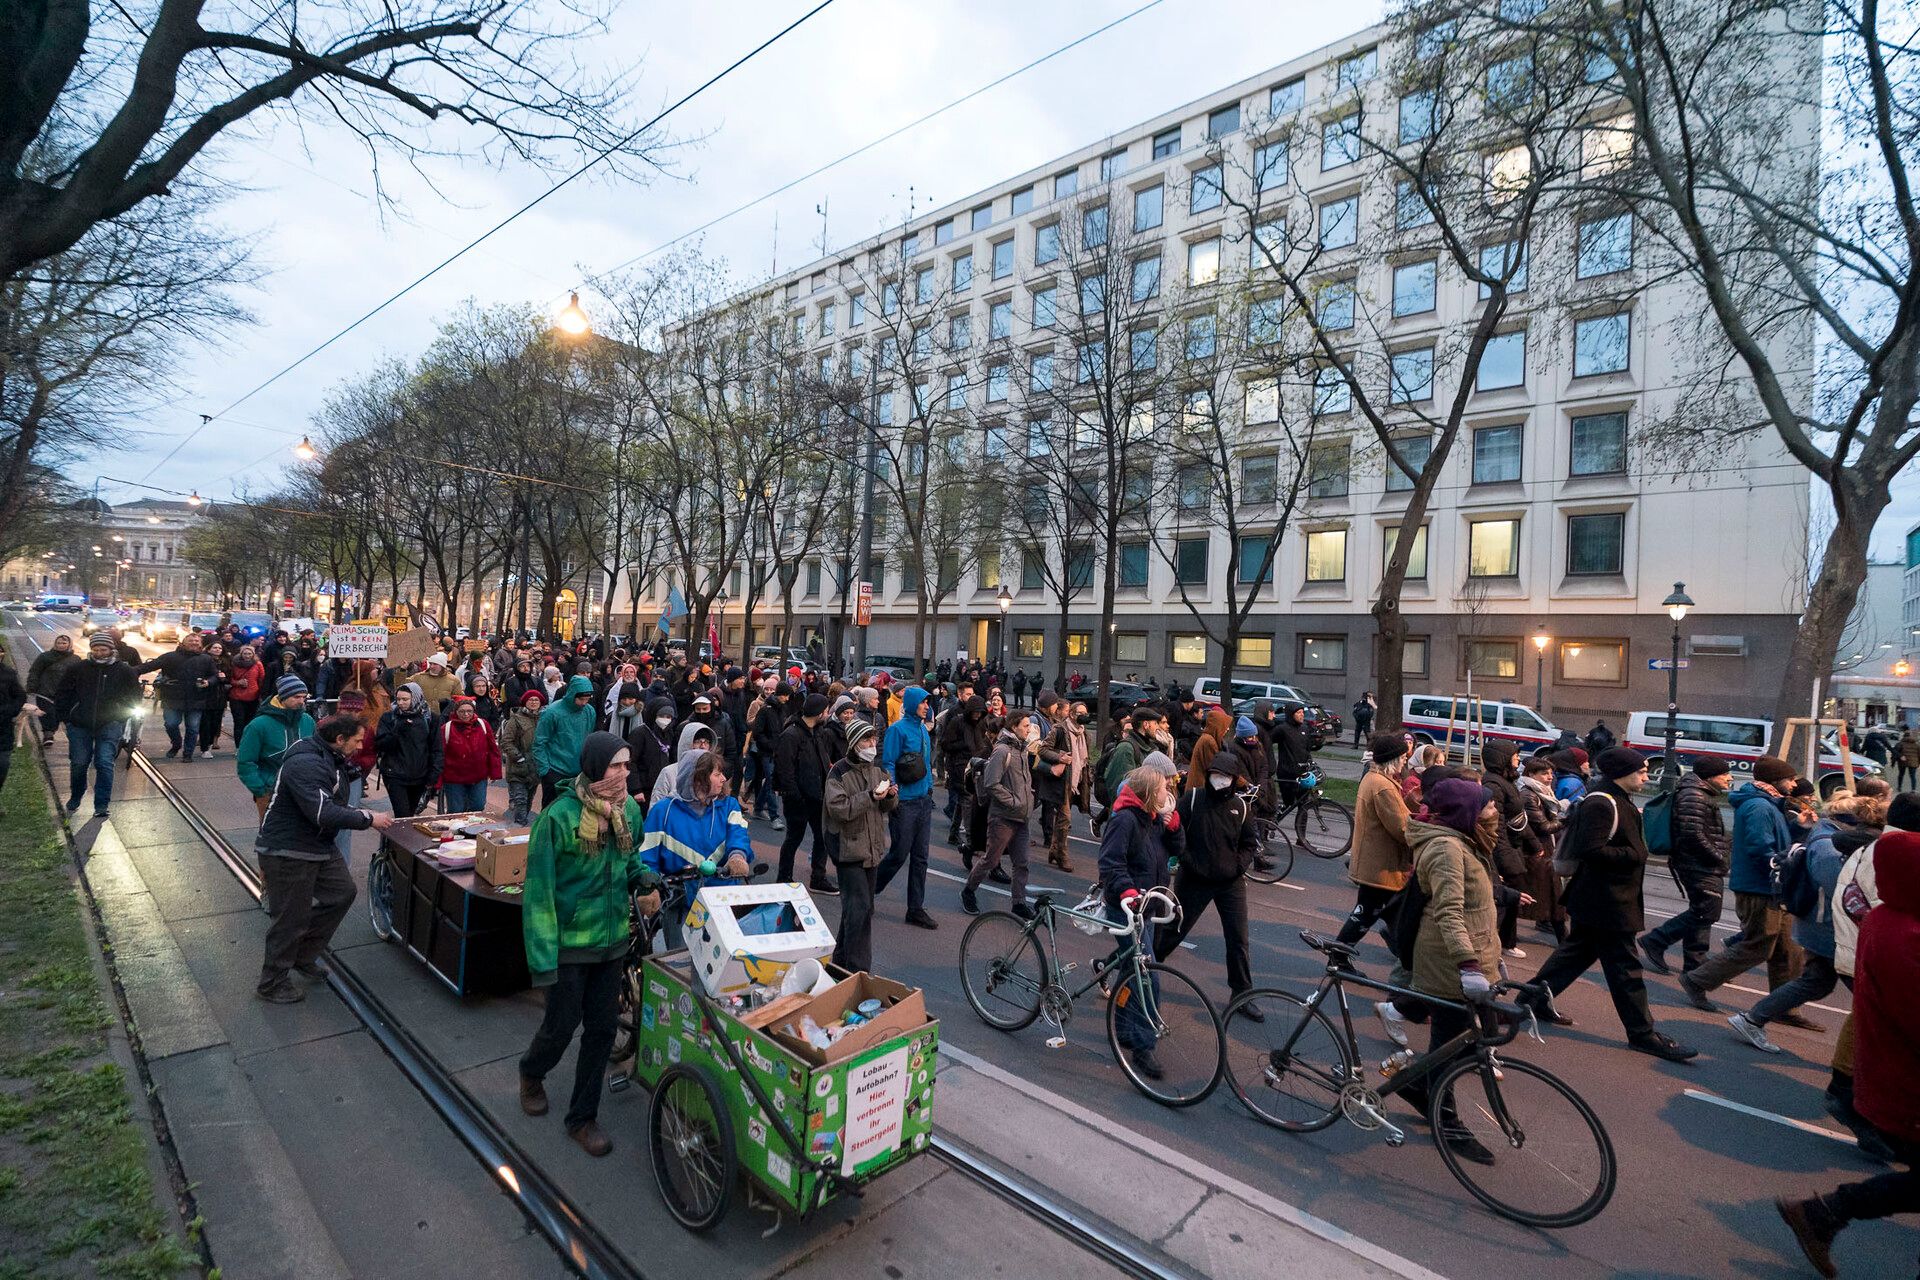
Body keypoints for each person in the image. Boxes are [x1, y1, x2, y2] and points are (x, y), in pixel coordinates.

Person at [1773, 828, 1920, 1276]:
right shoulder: (1905, 934)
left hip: (1893, 1077)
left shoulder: (1889, 919)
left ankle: (1824, 1214)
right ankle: (1824, 1213)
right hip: (1907, 1084)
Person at [518, 733, 661, 1157]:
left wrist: (643, 877)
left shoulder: (629, 811)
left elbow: (629, 857)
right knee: (560, 1027)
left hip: (613, 940)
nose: (623, 774)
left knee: (600, 1030)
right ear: (594, 767)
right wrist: (542, 962)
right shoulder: (558, 818)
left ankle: (582, 1117)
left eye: (626, 765)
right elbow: (539, 895)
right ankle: (531, 1071)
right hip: (568, 944)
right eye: (615, 766)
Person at [1527, 747, 1698, 1061]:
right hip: (1607, 902)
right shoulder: (1601, 803)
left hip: (1602, 900)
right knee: (1626, 971)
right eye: (1642, 771)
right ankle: (1643, 1034)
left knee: (1571, 958)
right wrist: (1634, 855)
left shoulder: (1616, 799)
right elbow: (1589, 849)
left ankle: (1529, 1002)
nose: (1647, 776)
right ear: (1623, 773)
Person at [1395, 777, 1506, 1162]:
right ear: (1467, 812)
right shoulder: (1445, 848)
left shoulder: (1466, 841)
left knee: (1462, 1042)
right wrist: (1469, 964)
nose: (1495, 811)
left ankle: (1417, 1085)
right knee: (1449, 1049)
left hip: (1470, 960)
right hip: (1448, 964)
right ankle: (1447, 1121)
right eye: (1488, 806)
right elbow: (1449, 910)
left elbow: (1478, 898)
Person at [254, 715, 392, 1003]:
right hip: (288, 848)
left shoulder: (331, 757)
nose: (358, 747)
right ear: (339, 739)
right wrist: (368, 817)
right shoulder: (306, 762)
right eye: (356, 741)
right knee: (291, 917)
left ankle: (303, 955)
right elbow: (322, 812)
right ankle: (272, 983)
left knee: (342, 892)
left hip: (317, 844)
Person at [1679, 756, 1805, 1014]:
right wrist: (1783, 863)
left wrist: (1800, 827)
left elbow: (1774, 840)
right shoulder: (1760, 807)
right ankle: (1697, 979)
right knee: (1758, 945)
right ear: (1776, 780)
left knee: (1787, 949)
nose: (1794, 785)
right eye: (1791, 780)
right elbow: (1761, 847)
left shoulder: (1770, 804)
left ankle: (1785, 1007)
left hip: (1771, 886)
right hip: (1760, 887)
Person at [1156, 747, 1261, 1016]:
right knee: (1174, 930)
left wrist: (1238, 866)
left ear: (1234, 778)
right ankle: (1143, 971)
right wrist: (1188, 860)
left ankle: (1242, 994)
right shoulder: (1192, 800)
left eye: (1225, 776)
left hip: (1231, 883)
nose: (1219, 780)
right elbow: (1174, 832)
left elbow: (1250, 844)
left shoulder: (1241, 807)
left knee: (1239, 939)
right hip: (1194, 880)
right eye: (1215, 774)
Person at [1098, 765, 1182, 1080]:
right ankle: (1143, 1045)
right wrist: (1129, 892)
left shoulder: (1151, 819)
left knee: (1129, 971)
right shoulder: (1124, 821)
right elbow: (1110, 863)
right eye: (1163, 788)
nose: (1168, 793)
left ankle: (1122, 1028)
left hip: (1147, 906)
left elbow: (1178, 850)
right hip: (1127, 907)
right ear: (1149, 794)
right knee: (1148, 976)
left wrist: (1174, 827)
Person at [1639, 757, 1735, 975]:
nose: (1729, 778)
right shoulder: (1694, 795)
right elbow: (1692, 833)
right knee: (1705, 912)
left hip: (1698, 862)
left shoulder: (1700, 792)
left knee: (1703, 912)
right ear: (1710, 776)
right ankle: (1657, 940)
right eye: (1725, 774)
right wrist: (1719, 856)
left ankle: (1695, 964)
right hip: (1697, 864)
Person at [825, 721, 899, 971]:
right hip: (849, 850)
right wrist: (869, 797)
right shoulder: (839, 773)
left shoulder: (877, 771)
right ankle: (859, 971)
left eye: (873, 740)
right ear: (855, 743)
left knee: (857, 910)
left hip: (872, 850)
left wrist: (890, 796)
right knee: (860, 910)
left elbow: (887, 807)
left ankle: (840, 964)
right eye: (867, 741)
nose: (872, 745)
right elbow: (839, 809)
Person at [1336, 734, 1415, 958]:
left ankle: (1404, 954)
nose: (1405, 761)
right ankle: (1338, 955)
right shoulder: (1384, 787)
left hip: (1375, 863)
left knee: (1378, 913)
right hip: (1382, 865)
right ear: (1392, 759)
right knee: (1370, 913)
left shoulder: (1374, 779)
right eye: (1402, 757)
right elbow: (1401, 828)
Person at [51, 635, 140, 818]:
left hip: (110, 723)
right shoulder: (78, 668)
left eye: (103, 650)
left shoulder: (124, 670)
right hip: (79, 724)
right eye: (96, 649)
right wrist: (65, 717)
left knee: (105, 762)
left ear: (111, 650)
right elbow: (63, 693)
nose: (99, 653)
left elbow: (134, 695)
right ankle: (76, 795)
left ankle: (101, 804)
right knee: (79, 763)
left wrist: (122, 715)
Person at [640, 747, 752, 891]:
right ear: (698, 779)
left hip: (721, 893)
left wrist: (737, 856)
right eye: (717, 774)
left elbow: (738, 834)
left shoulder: (729, 805)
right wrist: (649, 889)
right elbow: (647, 856)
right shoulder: (663, 811)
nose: (723, 779)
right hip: (677, 896)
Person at [962, 713, 1038, 917]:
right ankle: (968, 891)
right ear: (1014, 726)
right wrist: (1013, 801)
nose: (1029, 729)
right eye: (1025, 725)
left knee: (1021, 863)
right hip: (1003, 818)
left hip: (1021, 818)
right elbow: (991, 783)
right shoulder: (1002, 751)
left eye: (1029, 725)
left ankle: (1018, 903)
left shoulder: (1021, 750)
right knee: (990, 860)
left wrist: (1028, 800)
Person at [877, 685, 939, 929]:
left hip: (923, 801)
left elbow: (926, 762)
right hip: (905, 803)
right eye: (923, 702)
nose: (927, 706)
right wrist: (893, 786)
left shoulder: (923, 730)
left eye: (928, 703)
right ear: (913, 704)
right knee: (899, 853)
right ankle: (868, 891)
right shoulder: (897, 730)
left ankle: (915, 909)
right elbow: (889, 761)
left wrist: (930, 788)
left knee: (921, 857)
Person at [1480, 741, 1541, 958]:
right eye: (1515, 755)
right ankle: (1503, 941)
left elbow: (1518, 818)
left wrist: (1534, 844)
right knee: (1507, 898)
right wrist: (1506, 860)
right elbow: (1497, 825)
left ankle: (1504, 940)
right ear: (1503, 758)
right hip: (1505, 851)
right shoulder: (1495, 785)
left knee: (1510, 897)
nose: (1518, 759)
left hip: (1512, 849)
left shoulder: (1505, 781)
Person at [774, 693, 839, 894]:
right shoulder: (791, 735)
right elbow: (785, 770)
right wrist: (795, 796)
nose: (828, 714)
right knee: (794, 837)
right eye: (826, 710)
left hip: (818, 796)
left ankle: (818, 878)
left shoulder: (818, 732)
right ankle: (783, 878)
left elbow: (822, 760)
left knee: (822, 837)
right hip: (799, 799)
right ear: (819, 713)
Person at [236, 676, 316, 822]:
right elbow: (245, 761)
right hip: (271, 790)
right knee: (272, 837)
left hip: (304, 790)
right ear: (282, 697)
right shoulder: (259, 725)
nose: (301, 701)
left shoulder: (307, 721)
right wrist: (260, 789)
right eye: (296, 697)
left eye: (304, 697)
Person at [137, 632, 219, 762]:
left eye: (197, 641)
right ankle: (176, 743)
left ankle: (188, 753)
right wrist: (129, 671)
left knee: (192, 727)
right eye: (191, 641)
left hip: (196, 698)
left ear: (201, 644)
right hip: (172, 698)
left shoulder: (206, 659)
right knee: (171, 724)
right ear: (183, 643)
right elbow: (149, 666)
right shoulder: (170, 657)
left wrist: (208, 682)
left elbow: (214, 676)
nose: (194, 643)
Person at [375, 682, 443, 818]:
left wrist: (434, 774)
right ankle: (393, 838)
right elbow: (380, 745)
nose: (400, 703)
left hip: (419, 775)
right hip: (394, 774)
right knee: (402, 814)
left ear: (416, 698)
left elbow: (436, 748)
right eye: (398, 699)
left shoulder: (430, 718)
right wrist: (397, 731)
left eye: (405, 699)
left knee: (410, 814)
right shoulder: (389, 717)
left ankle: (393, 839)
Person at [532, 675, 598, 807]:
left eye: (587, 699)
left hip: (579, 772)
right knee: (551, 811)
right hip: (555, 771)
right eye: (581, 699)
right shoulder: (552, 712)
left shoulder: (589, 711)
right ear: (572, 694)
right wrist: (545, 771)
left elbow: (589, 739)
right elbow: (539, 742)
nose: (584, 703)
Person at [939, 694, 988, 853]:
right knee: (967, 802)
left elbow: (982, 742)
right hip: (959, 766)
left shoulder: (981, 723)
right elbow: (945, 744)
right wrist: (965, 745)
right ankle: (970, 840)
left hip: (974, 765)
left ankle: (954, 833)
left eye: (980, 712)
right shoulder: (957, 722)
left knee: (963, 802)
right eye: (975, 712)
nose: (977, 715)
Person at [1032, 692, 1075, 873]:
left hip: (1054, 773)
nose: (1058, 708)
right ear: (1048, 706)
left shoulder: (1052, 721)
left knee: (1050, 807)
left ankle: (1052, 846)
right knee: (1032, 802)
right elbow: (1036, 747)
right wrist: (1059, 758)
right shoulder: (1037, 720)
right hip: (1040, 769)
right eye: (1055, 705)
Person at [439, 695, 503, 813]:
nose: (466, 714)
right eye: (462, 711)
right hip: (454, 778)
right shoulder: (446, 729)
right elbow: (440, 755)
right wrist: (437, 779)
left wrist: (495, 772)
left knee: (478, 806)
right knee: (456, 810)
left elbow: (493, 749)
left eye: (469, 711)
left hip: (478, 776)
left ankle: (471, 830)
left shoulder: (483, 725)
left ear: (474, 711)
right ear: (455, 712)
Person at [498, 690, 544, 825]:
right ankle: (519, 828)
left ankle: (521, 826)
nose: (534, 702)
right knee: (520, 800)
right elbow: (506, 741)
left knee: (529, 800)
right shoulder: (516, 719)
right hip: (518, 769)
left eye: (536, 700)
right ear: (525, 702)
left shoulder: (544, 718)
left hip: (535, 768)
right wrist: (518, 757)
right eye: (531, 700)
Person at [28, 633, 80, 741]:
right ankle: (48, 735)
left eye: (64, 643)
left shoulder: (75, 659)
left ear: (69, 644)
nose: (61, 645)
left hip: (66, 693)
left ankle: (71, 737)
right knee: (47, 714)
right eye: (59, 643)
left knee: (63, 715)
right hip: (46, 691)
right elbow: (35, 671)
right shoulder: (45, 657)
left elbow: (80, 676)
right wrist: (31, 685)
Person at [0, 644, 27, 806]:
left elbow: (20, 696)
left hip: (3, 728)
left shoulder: (8, 673)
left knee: (2, 765)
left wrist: (10, 711)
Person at [227, 645, 265, 744]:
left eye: (249, 654)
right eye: (245, 653)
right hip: (236, 697)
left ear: (253, 654)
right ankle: (239, 746)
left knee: (250, 722)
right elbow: (229, 678)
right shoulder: (234, 664)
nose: (247, 656)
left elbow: (261, 679)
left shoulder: (258, 664)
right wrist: (237, 682)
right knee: (239, 722)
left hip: (253, 697)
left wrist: (261, 693)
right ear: (241, 654)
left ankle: (248, 744)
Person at [1185, 708, 1232, 787]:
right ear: (1218, 726)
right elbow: (1217, 768)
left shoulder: (1209, 739)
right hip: (1200, 788)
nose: (1227, 729)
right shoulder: (1209, 741)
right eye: (1225, 726)